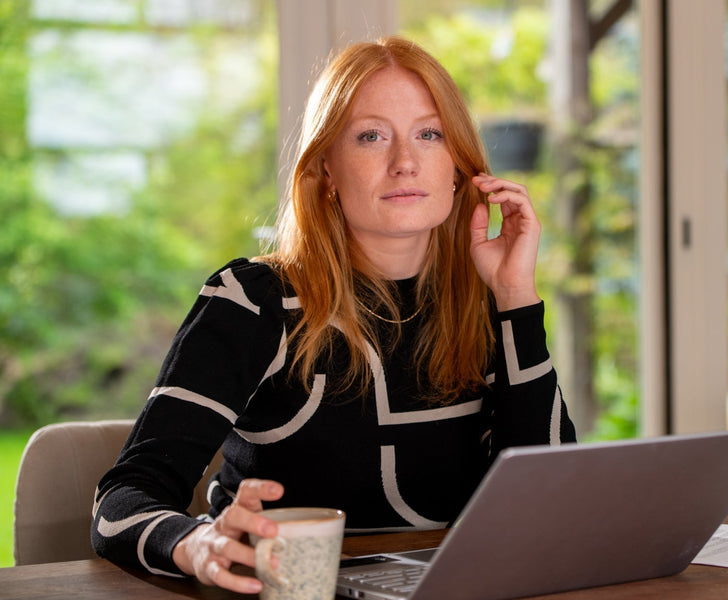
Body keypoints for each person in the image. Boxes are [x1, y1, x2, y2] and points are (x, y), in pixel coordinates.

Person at [91, 36, 576, 594]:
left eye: (429, 133)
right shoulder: (252, 300)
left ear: (458, 166)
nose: (405, 162)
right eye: (371, 137)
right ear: (326, 167)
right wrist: (198, 544)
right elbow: (123, 500)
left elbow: (550, 502)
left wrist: (516, 295)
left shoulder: (486, 298)